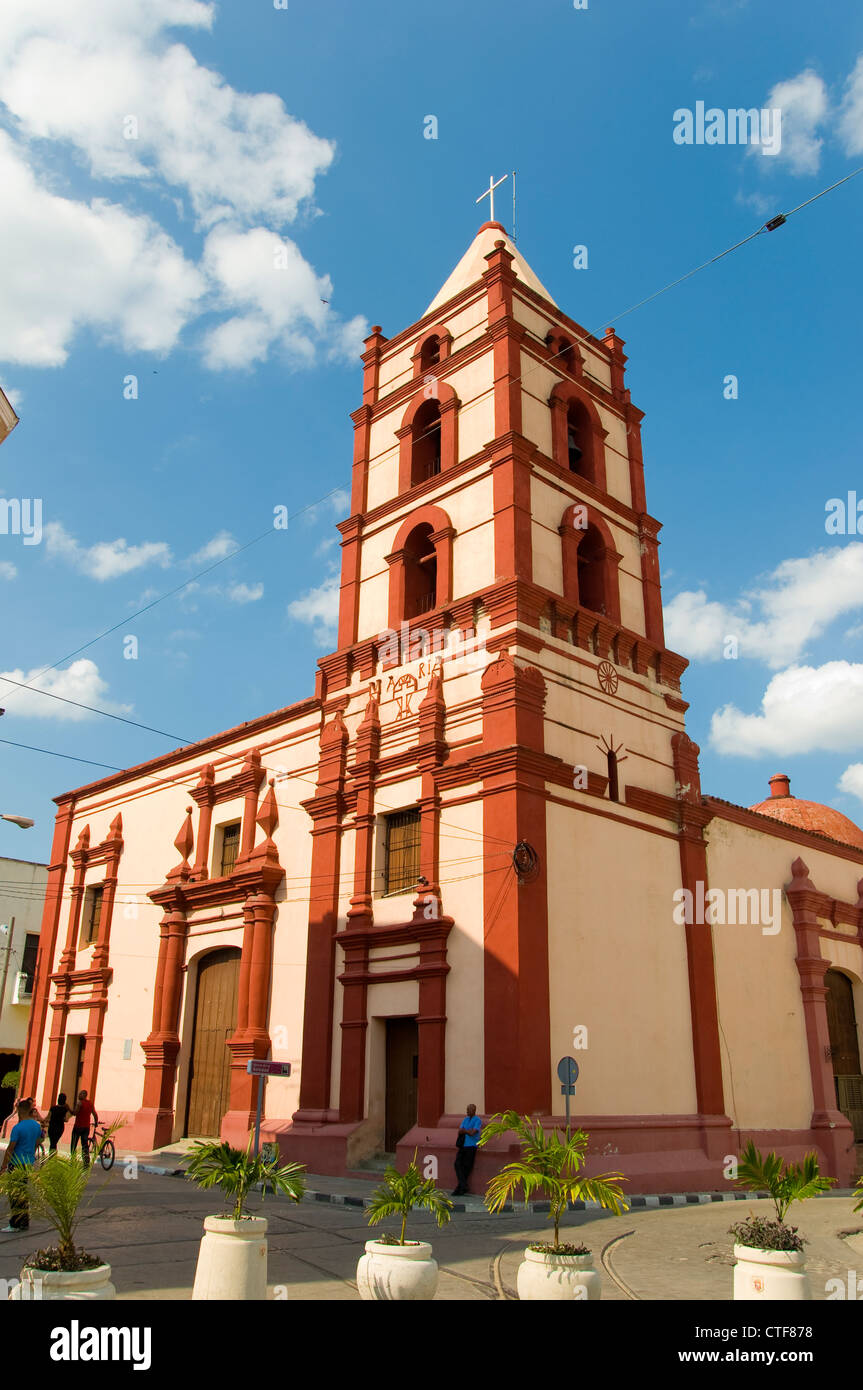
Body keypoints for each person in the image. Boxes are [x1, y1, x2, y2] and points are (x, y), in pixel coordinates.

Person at [0, 1099, 42, 1231]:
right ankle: (24, 1222)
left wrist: (3, 1166)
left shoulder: (17, 1128)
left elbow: (11, 1148)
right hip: (28, 1162)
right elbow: (37, 1142)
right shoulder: (36, 1126)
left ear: (20, 1111)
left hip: (16, 1163)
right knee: (23, 1192)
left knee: (15, 1194)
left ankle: (15, 1224)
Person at [452, 1103, 482, 1196]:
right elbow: (459, 1131)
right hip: (463, 1145)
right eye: (467, 1109)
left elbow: (473, 1132)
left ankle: (460, 1188)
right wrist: (467, 1131)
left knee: (467, 1167)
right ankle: (463, 1185)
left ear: (474, 1110)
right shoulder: (465, 1119)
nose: (467, 1111)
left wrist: (465, 1131)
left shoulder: (477, 1120)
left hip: (471, 1146)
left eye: (469, 1109)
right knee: (457, 1164)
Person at [70, 1090, 98, 1167]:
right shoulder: (90, 1103)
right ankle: (86, 1162)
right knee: (85, 1145)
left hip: (78, 1127)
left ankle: (73, 1161)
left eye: (80, 1094)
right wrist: (96, 1122)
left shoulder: (79, 1103)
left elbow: (74, 1113)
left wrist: (68, 1109)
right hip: (86, 1127)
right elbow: (95, 1114)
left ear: (84, 1095)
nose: (79, 1095)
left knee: (74, 1144)